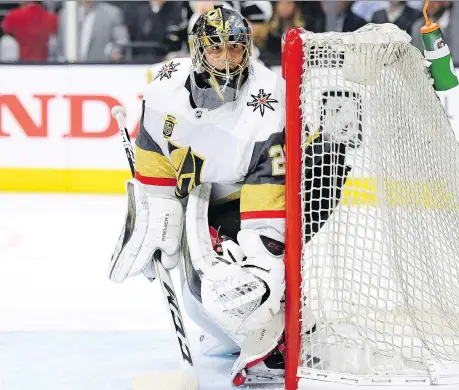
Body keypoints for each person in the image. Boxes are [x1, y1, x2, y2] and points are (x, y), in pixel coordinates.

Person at [108, 5, 353, 386]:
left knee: (248, 286)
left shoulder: (268, 99)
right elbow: (154, 151)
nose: (226, 60)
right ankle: (243, 327)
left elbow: (267, 195)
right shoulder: (164, 87)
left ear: (247, 47)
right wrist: (157, 207)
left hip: (262, 199)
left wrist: (262, 268)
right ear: (197, 50)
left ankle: (277, 330)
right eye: (216, 49)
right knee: (211, 303)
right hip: (204, 205)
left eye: (235, 48)